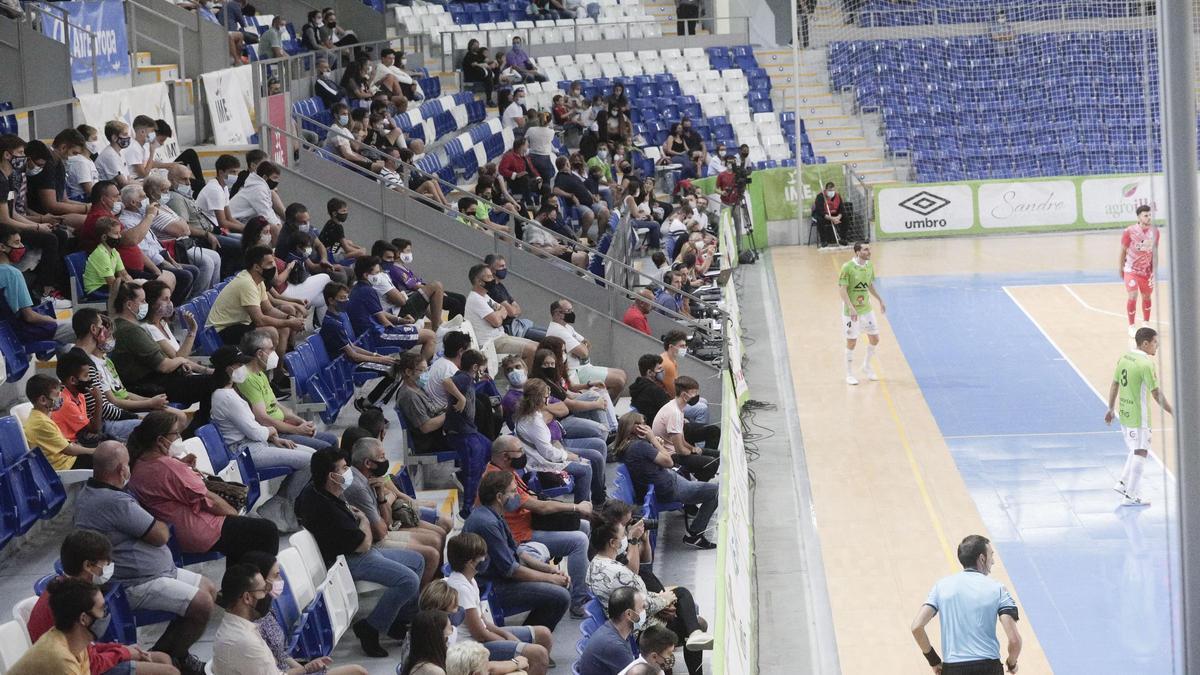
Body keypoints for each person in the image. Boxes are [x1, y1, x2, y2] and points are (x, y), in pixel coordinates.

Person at [74, 441, 216, 675]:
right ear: (122, 470)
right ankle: (170, 658)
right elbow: (160, 534)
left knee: (208, 588)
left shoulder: (91, 491)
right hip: (135, 582)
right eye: (128, 465)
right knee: (202, 604)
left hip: (156, 571)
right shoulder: (114, 502)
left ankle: (171, 655)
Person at [295, 448, 426, 658]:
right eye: (344, 468)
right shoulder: (327, 509)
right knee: (408, 580)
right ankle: (371, 628)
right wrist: (364, 520)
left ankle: (396, 619)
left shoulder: (315, 490)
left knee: (417, 561)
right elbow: (363, 545)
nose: (348, 472)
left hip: (357, 551)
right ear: (332, 476)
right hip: (347, 560)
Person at [128, 411, 281, 565]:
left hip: (175, 530)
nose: (179, 437)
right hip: (197, 530)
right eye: (175, 433)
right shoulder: (169, 467)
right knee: (267, 531)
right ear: (161, 440)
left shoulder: (139, 464)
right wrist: (234, 514)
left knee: (241, 539)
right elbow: (208, 500)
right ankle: (256, 583)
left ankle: (239, 584)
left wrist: (182, 466)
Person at [26, 530, 179, 675]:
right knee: (169, 672)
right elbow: (91, 664)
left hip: (84, 659)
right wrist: (124, 653)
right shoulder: (72, 604)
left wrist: (120, 649)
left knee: (162, 658)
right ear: (88, 566)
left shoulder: (65, 588)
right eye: (104, 564)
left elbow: (88, 647)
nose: (108, 568)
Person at [209, 344, 314, 531]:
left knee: (315, 456)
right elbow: (256, 431)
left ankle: (282, 506)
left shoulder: (230, 392)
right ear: (229, 369)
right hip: (245, 451)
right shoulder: (225, 397)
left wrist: (274, 438)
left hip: (257, 444)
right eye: (239, 365)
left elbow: (255, 428)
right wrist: (272, 432)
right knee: (312, 461)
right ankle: (279, 506)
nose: (243, 368)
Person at [587, 518, 712, 674]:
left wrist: (664, 598)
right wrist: (664, 600)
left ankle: (695, 634)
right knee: (695, 619)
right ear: (613, 543)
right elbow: (642, 602)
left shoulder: (595, 565)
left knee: (682, 598)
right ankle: (695, 635)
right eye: (623, 535)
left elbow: (638, 590)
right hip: (641, 626)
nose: (626, 537)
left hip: (634, 615)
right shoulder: (618, 572)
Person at [486, 435, 593, 612]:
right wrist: (575, 507)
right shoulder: (496, 480)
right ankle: (579, 602)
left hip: (528, 524)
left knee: (584, 526)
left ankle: (584, 585)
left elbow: (532, 498)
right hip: (519, 536)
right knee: (579, 540)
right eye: (519, 451)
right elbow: (540, 506)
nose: (523, 454)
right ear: (505, 455)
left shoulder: (507, 470)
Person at [462, 471, 571, 630]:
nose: (517, 495)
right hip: (491, 586)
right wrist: (550, 579)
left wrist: (550, 570)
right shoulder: (487, 524)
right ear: (499, 497)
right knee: (560, 596)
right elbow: (511, 570)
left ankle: (533, 640)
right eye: (513, 491)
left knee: (561, 584)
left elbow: (518, 550)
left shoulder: (494, 514)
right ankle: (529, 642)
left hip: (501, 576)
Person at [239, 551, 368, 675]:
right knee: (357, 671)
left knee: (358, 671)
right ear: (262, 580)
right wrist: (306, 669)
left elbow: (282, 654)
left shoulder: (267, 611)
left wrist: (307, 668)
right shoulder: (253, 628)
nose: (280, 579)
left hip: (294, 671)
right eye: (276, 575)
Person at [910, 535, 1022, 674]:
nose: (993, 561)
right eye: (991, 555)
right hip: (988, 668)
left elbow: (916, 627)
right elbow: (1015, 640)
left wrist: (934, 660)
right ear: (982, 558)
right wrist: (1011, 663)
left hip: (953, 668)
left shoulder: (941, 587)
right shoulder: (997, 588)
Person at [444, 532, 551, 674]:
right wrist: (511, 642)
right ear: (471, 562)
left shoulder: (471, 579)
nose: (485, 559)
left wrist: (505, 635)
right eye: (482, 556)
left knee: (544, 634)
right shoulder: (460, 589)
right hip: (473, 647)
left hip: (483, 635)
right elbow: (479, 634)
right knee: (539, 654)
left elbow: (483, 621)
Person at [72, 308, 183, 440]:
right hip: (105, 423)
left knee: (170, 421)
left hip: (110, 417)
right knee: (165, 427)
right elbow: (105, 409)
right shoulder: (83, 363)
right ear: (94, 329)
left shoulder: (85, 358)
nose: (105, 330)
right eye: (101, 325)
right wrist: (139, 414)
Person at [345, 437, 443, 585]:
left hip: (383, 532)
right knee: (432, 554)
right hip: (372, 543)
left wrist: (381, 496)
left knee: (437, 538)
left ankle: (435, 591)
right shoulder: (357, 487)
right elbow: (381, 532)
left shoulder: (371, 478)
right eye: (382, 457)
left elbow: (388, 522)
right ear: (368, 463)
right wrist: (385, 510)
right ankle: (422, 603)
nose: (385, 461)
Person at [614, 412, 718, 550]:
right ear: (635, 428)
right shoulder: (639, 446)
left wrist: (655, 444)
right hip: (669, 487)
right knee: (715, 491)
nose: (646, 427)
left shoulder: (627, 446)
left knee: (689, 471)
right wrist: (654, 440)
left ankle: (693, 518)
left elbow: (658, 459)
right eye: (642, 424)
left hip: (669, 480)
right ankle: (695, 534)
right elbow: (668, 462)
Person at [207, 246, 305, 385]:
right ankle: (263, 381)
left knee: (283, 328)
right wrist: (289, 322)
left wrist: (290, 319)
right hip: (221, 330)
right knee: (270, 332)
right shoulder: (246, 283)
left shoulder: (258, 281)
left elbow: (269, 309)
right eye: (270, 264)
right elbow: (259, 320)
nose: (274, 267)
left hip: (240, 324)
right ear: (257, 267)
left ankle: (278, 374)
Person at [237, 328, 339, 450]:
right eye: (271, 349)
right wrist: (296, 430)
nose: (275, 353)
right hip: (277, 433)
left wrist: (301, 422)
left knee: (332, 440)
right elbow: (262, 418)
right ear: (259, 354)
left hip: (284, 426)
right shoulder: (247, 379)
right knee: (327, 449)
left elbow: (276, 405)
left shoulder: (260, 373)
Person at [1104, 327, 1173, 507]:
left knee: (1135, 448)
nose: (1157, 346)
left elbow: (1114, 383)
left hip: (1124, 414)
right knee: (1142, 451)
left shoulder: (1124, 357)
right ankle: (1131, 495)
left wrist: (1111, 409)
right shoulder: (1146, 365)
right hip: (1138, 417)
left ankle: (1122, 483)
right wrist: (1174, 411)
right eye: (1155, 343)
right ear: (1145, 343)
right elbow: (1156, 394)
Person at [110, 282, 211, 404]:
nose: (145, 304)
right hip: (150, 386)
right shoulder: (130, 331)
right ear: (129, 305)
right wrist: (182, 360)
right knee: (216, 382)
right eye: (142, 301)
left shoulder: (129, 326)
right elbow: (164, 366)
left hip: (156, 381)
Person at [513, 380, 604, 506]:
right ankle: (582, 513)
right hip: (539, 462)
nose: (549, 399)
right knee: (585, 469)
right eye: (546, 396)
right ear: (540, 399)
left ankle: (598, 500)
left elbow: (563, 409)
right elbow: (548, 453)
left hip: (548, 452)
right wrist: (568, 456)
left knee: (595, 455)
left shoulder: (530, 413)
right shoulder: (533, 421)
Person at [1, 134, 69, 298]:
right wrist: (37, 227)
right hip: (4, 229)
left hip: (11, 223)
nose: (24, 156)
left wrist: (41, 221)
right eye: (20, 152)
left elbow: (14, 213)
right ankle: (43, 290)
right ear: (7, 154)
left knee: (59, 233)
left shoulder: (9, 177)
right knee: (50, 239)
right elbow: (4, 220)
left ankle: (55, 286)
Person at [320, 282, 406, 410]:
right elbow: (353, 356)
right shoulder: (332, 324)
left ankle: (369, 404)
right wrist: (381, 359)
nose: (346, 301)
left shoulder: (337, 318)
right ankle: (368, 405)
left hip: (348, 362)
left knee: (396, 368)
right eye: (342, 298)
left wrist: (376, 355)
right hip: (346, 366)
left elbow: (352, 346)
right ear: (331, 300)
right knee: (394, 372)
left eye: (347, 297)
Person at [8, 577, 104, 675]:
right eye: (101, 609)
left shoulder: (75, 641)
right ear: (83, 619)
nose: (105, 614)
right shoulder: (61, 661)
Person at [632, 354, 719, 452]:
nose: (662, 371)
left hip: (664, 427)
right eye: (659, 369)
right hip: (668, 430)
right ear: (650, 372)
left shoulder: (639, 386)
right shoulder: (654, 390)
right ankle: (703, 452)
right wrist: (682, 419)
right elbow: (669, 411)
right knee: (714, 430)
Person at [0, 224, 72, 342]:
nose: (22, 247)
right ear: (2, 247)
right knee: (78, 329)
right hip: (16, 331)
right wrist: (51, 320)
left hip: (5, 331)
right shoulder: (13, 274)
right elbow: (29, 317)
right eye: (16, 243)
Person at [546, 298, 627, 400]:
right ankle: (603, 407)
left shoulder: (567, 327)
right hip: (576, 372)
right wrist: (582, 348)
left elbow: (587, 342)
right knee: (618, 381)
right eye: (569, 311)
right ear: (558, 313)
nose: (572, 313)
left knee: (622, 374)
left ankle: (605, 406)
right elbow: (584, 353)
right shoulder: (558, 331)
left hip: (585, 367)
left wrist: (581, 348)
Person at [212, 563, 284, 675]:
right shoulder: (247, 642)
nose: (267, 594)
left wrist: (308, 668)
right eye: (264, 589)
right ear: (247, 597)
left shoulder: (234, 625)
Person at [465, 263, 538, 364]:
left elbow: (504, 310)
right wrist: (499, 314)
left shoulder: (485, 296)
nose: (493, 279)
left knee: (539, 347)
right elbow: (497, 322)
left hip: (501, 336)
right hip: (491, 342)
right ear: (479, 282)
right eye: (489, 277)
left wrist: (498, 313)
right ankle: (528, 378)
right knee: (533, 350)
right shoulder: (475, 299)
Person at [25, 368, 96, 470]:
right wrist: (95, 451)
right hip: (65, 466)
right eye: (57, 395)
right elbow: (69, 450)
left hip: (68, 459)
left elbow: (67, 444)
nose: (61, 397)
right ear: (43, 400)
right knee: (106, 459)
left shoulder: (40, 416)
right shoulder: (41, 423)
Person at [651, 375, 719, 482]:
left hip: (675, 450)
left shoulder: (678, 407)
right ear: (684, 395)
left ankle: (698, 472)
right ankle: (697, 485)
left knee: (717, 455)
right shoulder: (675, 413)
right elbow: (680, 450)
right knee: (711, 463)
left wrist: (693, 449)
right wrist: (693, 453)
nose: (697, 395)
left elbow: (682, 440)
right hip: (671, 456)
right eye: (694, 393)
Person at [838, 242, 886, 385]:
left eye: (869, 249)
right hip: (850, 312)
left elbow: (869, 285)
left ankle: (866, 366)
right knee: (852, 341)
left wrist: (880, 299)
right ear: (858, 252)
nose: (869, 251)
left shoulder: (869, 266)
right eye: (866, 249)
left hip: (866, 309)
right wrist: (851, 307)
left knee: (875, 339)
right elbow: (842, 289)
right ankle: (849, 374)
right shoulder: (847, 267)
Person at [25, 134, 89, 229]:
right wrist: (86, 208)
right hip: (45, 214)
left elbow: (64, 199)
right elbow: (51, 205)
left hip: (48, 215)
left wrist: (89, 207)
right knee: (92, 222)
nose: (75, 157)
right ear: (63, 147)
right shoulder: (47, 166)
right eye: (74, 153)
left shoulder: (59, 165)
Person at [577, 586, 641, 675]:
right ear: (629, 614)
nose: (644, 612)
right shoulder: (615, 646)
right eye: (642, 608)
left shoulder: (611, 629)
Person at [482, 253, 547, 341]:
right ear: (491, 269)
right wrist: (513, 310)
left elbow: (518, 309)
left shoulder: (500, 285)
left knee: (551, 333)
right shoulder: (492, 290)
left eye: (505, 266)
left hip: (518, 324)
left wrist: (513, 310)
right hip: (510, 329)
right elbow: (512, 312)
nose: (504, 269)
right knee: (550, 339)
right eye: (501, 266)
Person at [1119, 204, 1159, 336]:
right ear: (1139, 217)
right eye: (1145, 215)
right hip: (1131, 270)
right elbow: (1123, 250)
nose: (1148, 218)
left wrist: (1154, 270)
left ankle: (1146, 323)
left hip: (1146, 272)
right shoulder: (1129, 231)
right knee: (1133, 294)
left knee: (1147, 296)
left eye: (1149, 215)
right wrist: (1120, 268)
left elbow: (1155, 252)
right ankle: (1131, 326)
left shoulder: (1155, 232)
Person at [195, 154, 247, 241]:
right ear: (221, 172)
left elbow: (229, 218)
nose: (235, 175)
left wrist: (247, 228)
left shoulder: (224, 187)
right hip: (207, 232)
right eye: (232, 172)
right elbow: (222, 223)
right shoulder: (215, 189)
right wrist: (246, 229)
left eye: (237, 172)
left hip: (216, 229)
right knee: (243, 243)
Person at [229, 161, 283, 232]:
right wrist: (278, 225)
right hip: (233, 224)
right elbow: (266, 214)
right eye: (275, 178)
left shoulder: (259, 187)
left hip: (241, 221)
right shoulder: (258, 189)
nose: (277, 181)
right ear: (265, 177)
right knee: (275, 228)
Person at [398, 610, 452, 675]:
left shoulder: (412, 660)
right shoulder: (434, 671)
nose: (449, 644)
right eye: (446, 638)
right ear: (436, 639)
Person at [461, 39, 498, 106]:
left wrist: (493, 62)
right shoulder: (469, 55)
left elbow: (487, 60)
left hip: (483, 74)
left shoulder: (479, 54)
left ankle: (495, 84)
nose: (477, 47)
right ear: (470, 46)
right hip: (472, 75)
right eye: (474, 45)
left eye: (477, 45)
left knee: (495, 69)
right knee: (486, 73)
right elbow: (474, 64)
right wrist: (482, 65)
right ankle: (489, 99)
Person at [812, 181, 846, 248]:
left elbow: (842, 209)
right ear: (826, 190)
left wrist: (838, 217)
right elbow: (820, 212)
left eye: (833, 190)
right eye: (830, 190)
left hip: (835, 216)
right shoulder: (820, 197)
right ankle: (823, 241)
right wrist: (832, 218)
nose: (832, 192)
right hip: (825, 216)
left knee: (845, 217)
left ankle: (843, 238)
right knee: (820, 219)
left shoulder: (837, 196)